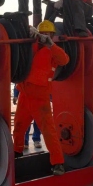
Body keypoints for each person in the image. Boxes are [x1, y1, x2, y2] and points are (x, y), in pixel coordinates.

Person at [13, 20, 69, 176]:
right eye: (43, 33)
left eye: (48, 34)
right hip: (24, 94)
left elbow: (65, 60)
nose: (45, 36)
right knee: (18, 126)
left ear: (52, 35)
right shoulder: (31, 46)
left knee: (49, 131)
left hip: (40, 98)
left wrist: (51, 45)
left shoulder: (53, 51)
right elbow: (18, 51)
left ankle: (58, 163)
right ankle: (17, 152)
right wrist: (27, 29)